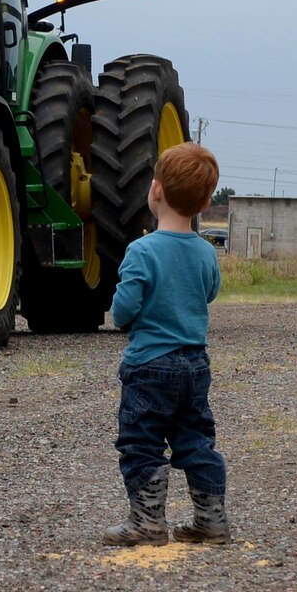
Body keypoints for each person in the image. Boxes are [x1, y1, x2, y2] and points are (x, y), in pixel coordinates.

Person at [101, 143, 229, 547]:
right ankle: (211, 520)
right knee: (196, 440)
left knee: (141, 441)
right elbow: (209, 293)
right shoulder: (207, 252)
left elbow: (123, 310)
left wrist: (128, 313)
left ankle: (148, 522)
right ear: (207, 201)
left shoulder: (141, 251)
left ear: (155, 191)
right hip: (195, 364)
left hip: (150, 365)